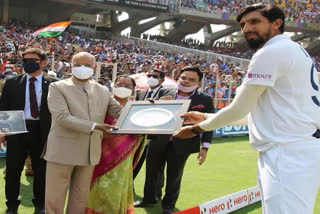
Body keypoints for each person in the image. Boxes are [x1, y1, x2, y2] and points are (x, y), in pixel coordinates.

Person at [173, 4, 320, 214]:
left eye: (254, 22)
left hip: (287, 151)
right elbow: (256, 113)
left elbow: (238, 109)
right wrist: (206, 116)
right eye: (243, 24)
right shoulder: (295, 50)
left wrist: (198, 129)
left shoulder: (271, 52)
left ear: (277, 23)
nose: (246, 28)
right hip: (294, 148)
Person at [43, 52, 123, 214]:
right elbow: (62, 117)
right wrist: (95, 126)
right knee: (55, 198)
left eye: (87, 65)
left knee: (80, 197)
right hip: (62, 151)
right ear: (71, 65)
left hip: (89, 151)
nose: (82, 68)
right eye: (78, 64)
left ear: (94, 67)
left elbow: (119, 112)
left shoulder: (103, 90)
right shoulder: (58, 87)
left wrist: (143, 111)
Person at [135, 66, 214, 214]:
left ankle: (168, 206)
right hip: (158, 139)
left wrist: (205, 147)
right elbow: (154, 114)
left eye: (192, 80)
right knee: (151, 172)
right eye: (184, 78)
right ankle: (148, 198)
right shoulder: (164, 92)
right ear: (178, 78)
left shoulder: (205, 99)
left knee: (174, 175)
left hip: (183, 143)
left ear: (199, 83)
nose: (187, 82)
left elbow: (209, 125)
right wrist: (153, 104)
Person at [0, 48, 57, 214]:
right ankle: (11, 205)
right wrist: (3, 131)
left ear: (43, 62)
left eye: (32, 60)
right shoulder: (12, 83)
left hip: (42, 131)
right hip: (16, 129)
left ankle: (40, 204)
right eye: (25, 61)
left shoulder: (54, 84)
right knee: (13, 170)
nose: (28, 63)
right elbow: (4, 108)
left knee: (41, 170)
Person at [86, 75, 146, 214]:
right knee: (99, 189)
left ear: (133, 89)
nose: (123, 88)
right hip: (101, 155)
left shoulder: (137, 109)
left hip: (123, 159)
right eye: (120, 84)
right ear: (113, 85)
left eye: (127, 86)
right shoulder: (102, 104)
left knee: (118, 188)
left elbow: (142, 134)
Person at [133, 68, 165, 180]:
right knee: (134, 163)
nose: (151, 78)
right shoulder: (140, 93)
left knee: (156, 167)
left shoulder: (167, 92)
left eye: (155, 76)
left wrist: (155, 103)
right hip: (139, 134)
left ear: (162, 80)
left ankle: (156, 193)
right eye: (150, 76)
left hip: (157, 135)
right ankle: (129, 188)